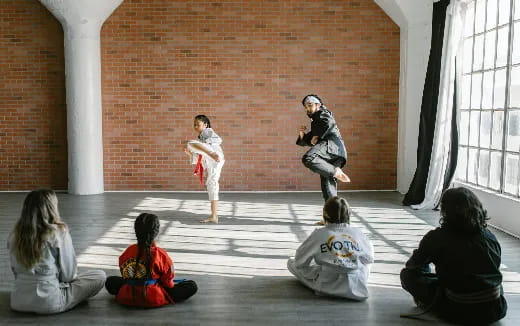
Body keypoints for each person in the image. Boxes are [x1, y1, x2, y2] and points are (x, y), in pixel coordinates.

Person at [400, 187, 507, 324]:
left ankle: (433, 302)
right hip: (495, 309)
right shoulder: (489, 237)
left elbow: (413, 265)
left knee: (407, 275)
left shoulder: (437, 237)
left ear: (445, 212)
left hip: (458, 310)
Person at [7, 189, 106, 314]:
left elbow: (15, 272)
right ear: (51, 208)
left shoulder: (14, 235)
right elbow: (69, 275)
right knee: (99, 276)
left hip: (18, 301)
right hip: (50, 302)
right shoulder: (58, 232)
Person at [287, 196, 374, 300]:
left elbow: (299, 261)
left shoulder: (319, 234)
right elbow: (368, 258)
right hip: (356, 286)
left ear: (325, 214)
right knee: (365, 262)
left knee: (291, 262)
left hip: (326, 285)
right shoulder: (358, 233)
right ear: (348, 214)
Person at [105, 213, 197, 307]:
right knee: (191, 286)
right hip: (153, 296)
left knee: (110, 281)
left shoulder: (128, 251)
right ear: (156, 232)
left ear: (136, 231)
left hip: (128, 295)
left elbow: (125, 275)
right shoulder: (160, 254)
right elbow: (168, 283)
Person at [297, 94, 349, 224]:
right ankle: (332, 220)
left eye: (310, 105)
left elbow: (328, 123)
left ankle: (335, 172)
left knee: (309, 158)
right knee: (328, 188)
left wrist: (317, 135)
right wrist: (303, 135)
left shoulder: (323, 113)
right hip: (332, 153)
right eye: (306, 106)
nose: (307, 108)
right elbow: (311, 140)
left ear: (318, 105)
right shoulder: (316, 120)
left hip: (331, 146)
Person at [185, 114, 225, 224]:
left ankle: (211, 154)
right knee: (211, 184)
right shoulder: (201, 138)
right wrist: (190, 154)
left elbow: (218, 140)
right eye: (194, 125)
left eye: (198, 124)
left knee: (190, 143)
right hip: (213, 160)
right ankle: (214, 216)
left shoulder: (208, 132)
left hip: (215, 155)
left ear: (205, 125)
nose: (195, 127)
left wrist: (209, 152)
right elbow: (199, 158)